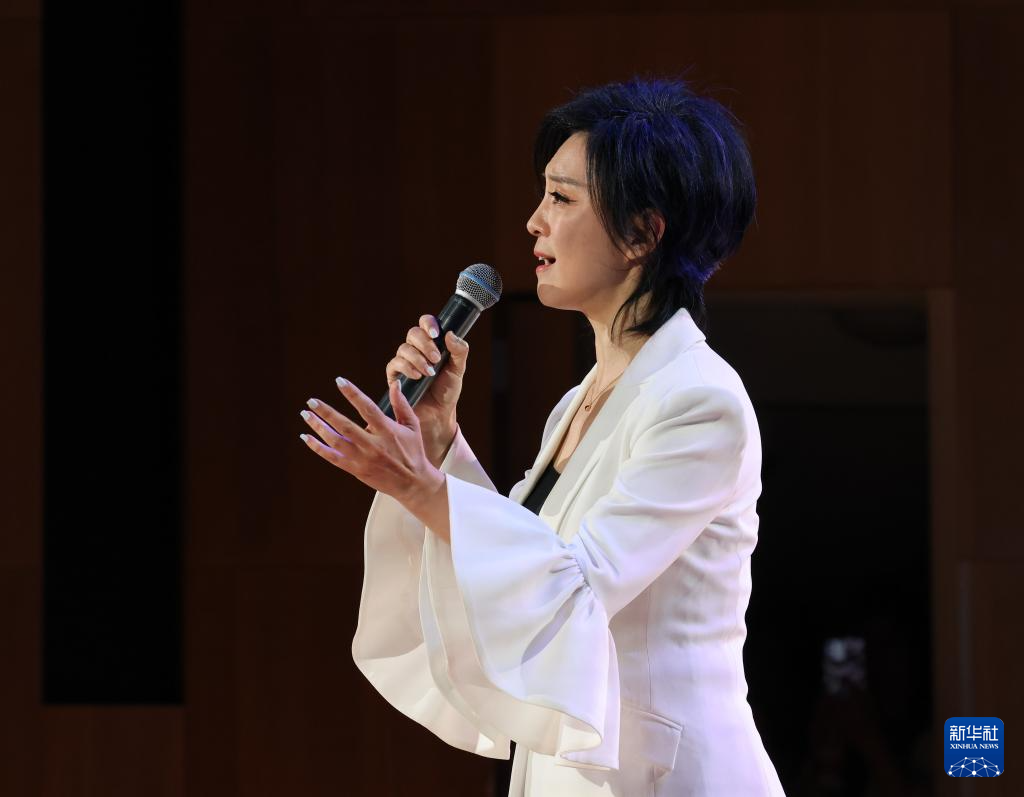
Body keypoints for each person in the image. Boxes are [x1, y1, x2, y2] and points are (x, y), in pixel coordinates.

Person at [299, 77, 785, 795]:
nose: (534, 222)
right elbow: (526, 563)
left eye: (561, 198)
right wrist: (439, 442)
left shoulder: (699, 400)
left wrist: (421, 487)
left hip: (667, 775)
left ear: (643, 232)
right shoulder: (579, 401)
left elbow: (577, 585)